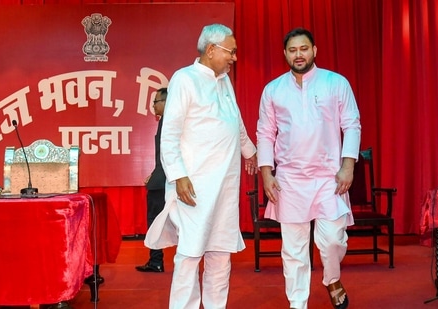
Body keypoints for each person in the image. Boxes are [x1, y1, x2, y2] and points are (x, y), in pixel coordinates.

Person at [144, 23, 257, 309]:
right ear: (210, 50)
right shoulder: (185, 79)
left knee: (220, 254)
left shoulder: (224, 80)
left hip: (225, 187)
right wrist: (179, 176)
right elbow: (169, 134)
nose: (233, 58)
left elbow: (236, 121)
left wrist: (250, 152)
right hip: (194, 186)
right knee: (190, 254)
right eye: (230, 52)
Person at [256, 27, 361, 309]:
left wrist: (347, 166)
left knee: (332, 241)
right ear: (285, 54)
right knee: (293, 250)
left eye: (304, 49)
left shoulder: (336, 83)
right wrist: (267, 172)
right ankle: (298, 302)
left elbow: (351, 124)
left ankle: (332, 278)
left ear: (314, 50)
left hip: (330, 178)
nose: (298, 54)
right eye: (292, 50)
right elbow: (265, 133)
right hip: (289, 179)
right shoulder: (273, 90)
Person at [136, 87, 167, 273]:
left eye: (156, 102)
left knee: (155, 221)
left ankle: (156, 261)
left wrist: (159, 174)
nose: (153, 105)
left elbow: (168, 155)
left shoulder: (168, 123)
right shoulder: (166, 121)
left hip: (164, 182)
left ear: (165, 102)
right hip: (163, 177)